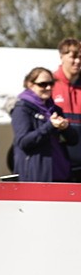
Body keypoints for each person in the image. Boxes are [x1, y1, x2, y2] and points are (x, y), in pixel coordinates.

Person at [12, 66, 77, 182]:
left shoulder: (55, 109)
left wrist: (65, 128)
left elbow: (73, 140)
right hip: (36, 176)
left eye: (51, 84)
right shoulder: (22, 109)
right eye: (42, 84)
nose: (48, 87)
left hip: (61, 174)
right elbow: (23, 142)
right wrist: (50, 126)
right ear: (30, 85)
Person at [51, 37, 81, 181]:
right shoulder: (47, 84)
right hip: (57, 165)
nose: (78, 61)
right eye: (73, 57)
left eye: (80, 57)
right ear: (61, 56)